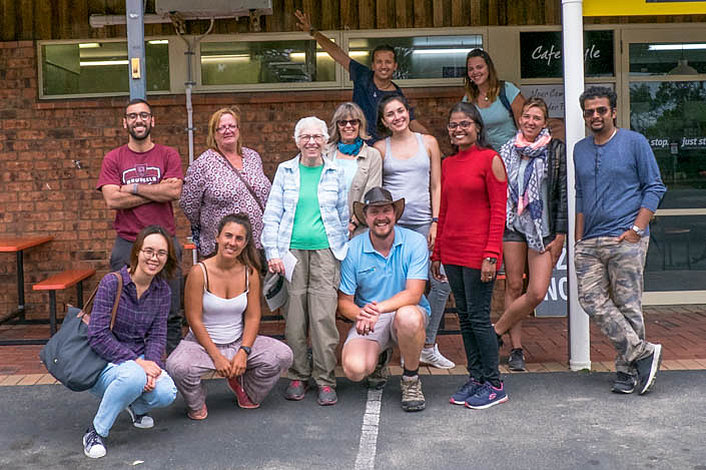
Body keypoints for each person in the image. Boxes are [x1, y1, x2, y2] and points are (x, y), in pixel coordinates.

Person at [574, 86, 666, 395]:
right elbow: (581, 195)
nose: (595, 116)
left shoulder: (635, 143)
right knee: (590, 299)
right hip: (590, 241)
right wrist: (578, 238)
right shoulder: (580, 149)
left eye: (601, 110)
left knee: (628, 304)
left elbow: (655, 187)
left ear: (613, 111)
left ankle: (627, 372)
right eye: (589, 111)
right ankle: (642, 353)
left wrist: (636, 230)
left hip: (625, 236)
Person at [166, 214, 293, 420]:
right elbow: (194, 319)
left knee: (283, 355)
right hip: (201, 345)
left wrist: (243, 352)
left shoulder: (249, 272)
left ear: (245, 243)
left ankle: (245, 387)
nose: (232, 242)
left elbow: (253, 317)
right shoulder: (200, 272)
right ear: (217, 237)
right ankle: (196, 402)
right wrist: (217, 357)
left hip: (237, 342)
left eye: (239, 238)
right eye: (228, 236)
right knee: (177, 366)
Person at [261, 116, 349, 406]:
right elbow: (272, 214)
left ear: (325, 141)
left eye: (317, 136)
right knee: (295, 319)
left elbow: (343, 215)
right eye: (305, 137)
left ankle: (325, 379)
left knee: (323, 318)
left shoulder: (336, 172)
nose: (312, 141)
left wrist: (341, 249)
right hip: (291, 254)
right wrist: (272, 253)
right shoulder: (285, 171)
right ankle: (298, 374)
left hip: (326, 253)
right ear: (297, 141)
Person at [431, 102, 508, 409]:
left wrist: (492, 253)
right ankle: (476, 378)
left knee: (478, 318)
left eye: (465, 124)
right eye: (453, 125)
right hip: (452, 253)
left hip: (479, 254)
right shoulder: (448, 164)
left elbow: (499, 211)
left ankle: (494, 383)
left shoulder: (490, 159)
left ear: (477, 127)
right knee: (464, 318)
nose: (458, 129)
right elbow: (445, 211)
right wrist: (437, 252)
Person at [82, 225, 178, 459]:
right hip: (105, 363)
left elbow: (157, 335)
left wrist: (152, 368)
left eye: (161, 253)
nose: (154, 258)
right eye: (149, 251)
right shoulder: (112, 283)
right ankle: (95, 431)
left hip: (137, 363)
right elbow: (98, 335)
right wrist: (138, 364)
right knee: (133, 376)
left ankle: (136, 406)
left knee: (166, 392)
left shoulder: (162, 291)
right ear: (137, 252)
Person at [97, 98, 184, 355]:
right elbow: (112, 198)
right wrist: (158, 191)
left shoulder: (168, 154)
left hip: (165, 242)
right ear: (125, 122)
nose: (139, 120)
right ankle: (128, 364)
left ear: (152, 120)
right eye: (133, 116)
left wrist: (134, 188)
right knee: (122, 308)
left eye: (144, 115)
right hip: (128, 244)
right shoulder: (114, 158)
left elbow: (175, 190)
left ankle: (173, 368)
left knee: (171, 311)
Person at [374, 95, 454, 370]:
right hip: (393, 229)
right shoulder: (380, 148)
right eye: (390, 114)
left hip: (423, 225)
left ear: (408, 112)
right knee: (396, 286)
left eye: (400, 111)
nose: (397, 117)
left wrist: (435, 221)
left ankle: (428, 344)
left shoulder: (428, 142)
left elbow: (436, 186)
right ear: (383, 121)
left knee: (441, 281)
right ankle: (393, 344)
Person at [338, 187, 430, 412]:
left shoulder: (415, 241)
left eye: (386, 210)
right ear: (365, 217)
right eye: (374, 212)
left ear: (395, 214)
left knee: (408, 316)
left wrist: (376, 310)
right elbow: (344, 302)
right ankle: (380, 359)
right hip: (371, 319)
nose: (381, 217)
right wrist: (361, 314)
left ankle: (410, 379)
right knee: (354, 369)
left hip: (407, 313)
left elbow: (414, 294)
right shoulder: (352, 249)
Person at [493, 97, 568, 371]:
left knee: (536, 292)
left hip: (542, 229)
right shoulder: (506, 150)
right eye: (526, 116)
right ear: (519, 119)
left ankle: (496, 330)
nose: (530, 122)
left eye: (537, 118)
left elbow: (561, 195)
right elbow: (498, 189)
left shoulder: (555, 150)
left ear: (545, 123)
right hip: (512, 226)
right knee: (513, 286)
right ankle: (516, 349)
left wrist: (560, 232)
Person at [294, 9, 428, 142]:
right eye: (379, 62)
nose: (383, 66)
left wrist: (432, 143)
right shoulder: (363, 75)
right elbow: (337, 53)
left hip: (381, 152)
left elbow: (411, 122)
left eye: (388, 62)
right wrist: (313, 32)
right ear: (373, 65)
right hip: (356, 146)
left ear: (395, 66)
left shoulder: (397, 95)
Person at [180, 107, 271, 258]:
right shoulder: (203, 164)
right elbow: (188, 205)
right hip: (224, 248)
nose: (227, 130)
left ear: (238, 129)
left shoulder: (253, 157)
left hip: (257, 245)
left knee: (255, 282)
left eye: (231, 126)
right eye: (221, 128)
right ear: (214, 134)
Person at [326, 102, 383, 237]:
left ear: (360, 124)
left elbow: (371, 194)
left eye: (353, 122)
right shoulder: (325, 153)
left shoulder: (372, 155)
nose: (348, 126)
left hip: (360, 228)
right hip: (327, 227)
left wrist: (353, 223)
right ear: (337, 126)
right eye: (343, 122)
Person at [463, 49, 526, 152]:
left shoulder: (507, 90)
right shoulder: (468, 99)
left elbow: (524, 126)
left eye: (479, 67)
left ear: (489, 68)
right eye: (471, 69)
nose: (475, 72)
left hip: (512, 156)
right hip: (484, 158)